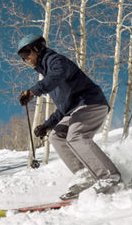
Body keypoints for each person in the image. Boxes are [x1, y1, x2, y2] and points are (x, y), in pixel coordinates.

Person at [16, 33, 122, 200]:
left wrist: (33, 91)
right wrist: (47, 124)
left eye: (25, 54)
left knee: (76, 136)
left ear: (37, 48)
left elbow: (56, 76)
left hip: (91, 103)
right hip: (75, 109)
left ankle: (110, 176)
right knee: (56, 136)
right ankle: (85, 175)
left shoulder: (56, 61)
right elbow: (63, 108)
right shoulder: (48, 75)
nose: (25, 59)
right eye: (21, 57)